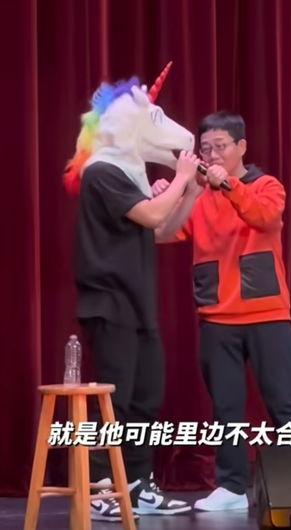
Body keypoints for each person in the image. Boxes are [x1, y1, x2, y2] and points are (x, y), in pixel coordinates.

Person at [65, 72, 200, 521]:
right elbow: (152, 215)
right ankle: (102, 489)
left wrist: (189, 190)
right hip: (109, 302)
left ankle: (138, 484)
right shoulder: (102, 171)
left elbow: (161, 229)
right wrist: (180, 178)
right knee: (115, 401)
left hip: (139, 304)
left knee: (146, 397)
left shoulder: (129, 177)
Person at [154, 111, 291, 511]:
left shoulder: (266, 185)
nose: (212, 155)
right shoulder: (199, 197)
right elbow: (163, 233)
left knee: (283, 404)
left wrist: (229, 185)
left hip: (267, 313)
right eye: (205, 148)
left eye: (220, 146)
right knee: (226, 408)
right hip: (216, 317)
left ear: (241, 147)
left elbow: (263, 216)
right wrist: (170, 194)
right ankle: (233, 488)